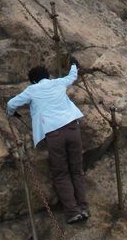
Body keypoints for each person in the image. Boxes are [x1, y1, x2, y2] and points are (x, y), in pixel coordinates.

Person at [6, 61, 89, 224]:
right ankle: (84, 208)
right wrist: (73, 65)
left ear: (33, 81)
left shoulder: (32, 90)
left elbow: (11, 104)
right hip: (72, 128)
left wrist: (11, 114)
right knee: (77, 170)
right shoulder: (58, 82)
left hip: (54, 133)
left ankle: (73, 212)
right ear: (47, 76)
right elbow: (72, 76)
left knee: (61, 173)